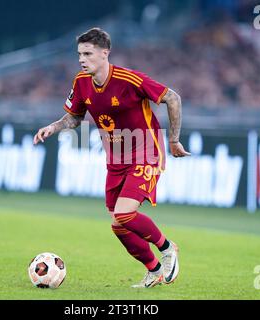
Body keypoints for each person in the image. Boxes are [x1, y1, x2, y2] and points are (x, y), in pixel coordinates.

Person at [34, 28, 190, 288]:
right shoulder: (81, 82)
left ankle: (167, 248)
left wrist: (173, 140)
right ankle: (153, 270)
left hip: (145, 152)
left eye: (88, 53)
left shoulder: (129, 80)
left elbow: (173, 98)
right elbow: (74, 117)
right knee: (118, 224)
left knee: (125, 214)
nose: (82, 59)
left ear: (105, 53)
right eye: (79, 54)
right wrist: (53, 127)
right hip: (116, 160)